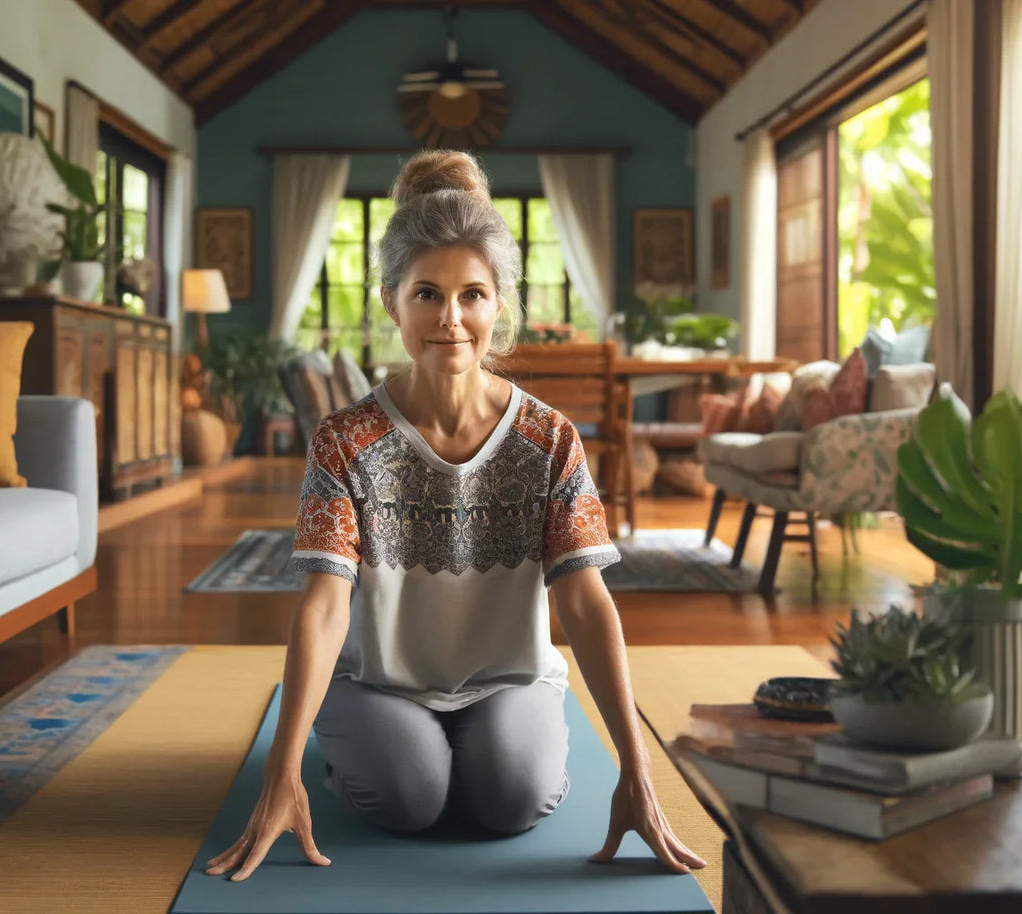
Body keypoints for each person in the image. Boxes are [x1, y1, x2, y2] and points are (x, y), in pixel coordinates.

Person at [207, 150, 705, 883]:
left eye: (473, 294)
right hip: (379, 682)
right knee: (408, 798)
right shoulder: (343, 440)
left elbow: (585, 602)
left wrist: (637, 769)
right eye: (427, 294)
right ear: (391, 302)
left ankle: (485, 748)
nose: (450, 318)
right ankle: (347, 747)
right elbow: (324, 606)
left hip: (509, 681)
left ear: (500, 302)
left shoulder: (550, 439)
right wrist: (279, 772)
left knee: (511, 799)